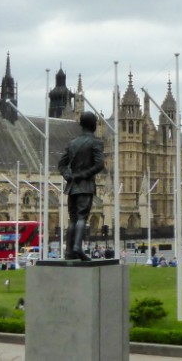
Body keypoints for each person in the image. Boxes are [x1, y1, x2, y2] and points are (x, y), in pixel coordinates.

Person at [58, 110, 105, 261]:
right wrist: (83, 175)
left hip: (72, 187)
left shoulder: (72, 143)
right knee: (81, 217)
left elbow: (62, 164)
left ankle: (69, 252)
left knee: (72, 219)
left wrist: (68, 176)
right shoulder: (96, 142)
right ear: (93, 125)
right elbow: (99, 165)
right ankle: (78, 247)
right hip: (85, 186)